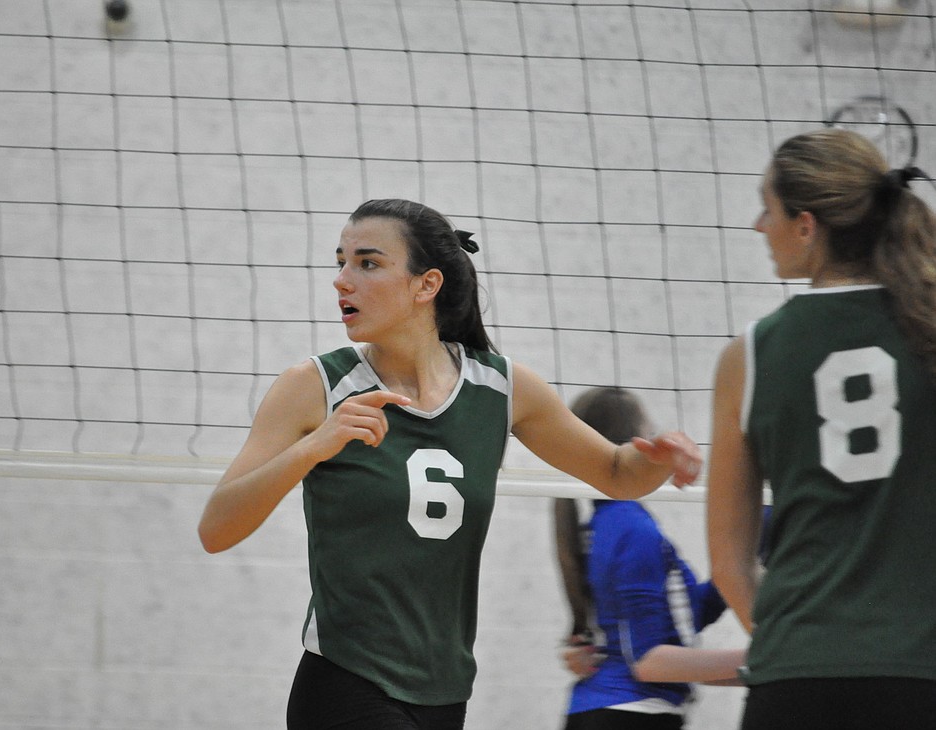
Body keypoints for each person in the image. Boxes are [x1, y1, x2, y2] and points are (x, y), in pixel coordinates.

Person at [198, 198, 703, 730]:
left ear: (427, 284)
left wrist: (662, 457)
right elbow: (216, 528)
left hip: (445, 691)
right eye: (340, 261)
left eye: (367, 263)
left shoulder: (501, 387)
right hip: (345, 680)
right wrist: (314, 447)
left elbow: (618, 475)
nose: (342, 280)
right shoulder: (314, 386)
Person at [706, 127, 936, 730]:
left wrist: (796, 643)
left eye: (768, 208)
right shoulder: (929, 333)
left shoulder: (747, 357)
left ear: (807, 226)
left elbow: (729, 564)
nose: (760, 226)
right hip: (919, 674)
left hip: (797, 677)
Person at [554, 387, 746, 730]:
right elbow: (649, 661)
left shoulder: (606, 524)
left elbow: (687, 617)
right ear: (635, 446)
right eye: (650, 433)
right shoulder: (630, 528)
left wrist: (746, 554)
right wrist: (765, 662)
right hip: (629, 714)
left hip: (613, 712)